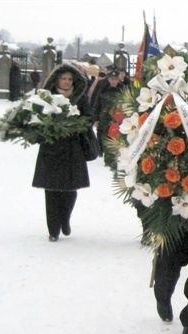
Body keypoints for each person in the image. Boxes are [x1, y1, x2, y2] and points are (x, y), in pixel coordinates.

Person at [32, 64, 92, 242]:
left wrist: (76, 124)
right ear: (56, 80)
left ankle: (65, 219)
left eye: (69, 79)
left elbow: (89, 117)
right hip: (51, 148)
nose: (66, 82)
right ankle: (53, 229)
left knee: (70, 190)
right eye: (63, 78)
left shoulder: (80, 97)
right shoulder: (46, 97)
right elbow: (36, 118)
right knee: (51, 190)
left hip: (73, 148)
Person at [91, 67, 125, 166]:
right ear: (109, 79)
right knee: (103, 137)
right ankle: (105, 156)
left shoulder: (123, 90)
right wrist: (95, 119)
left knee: (115, 138)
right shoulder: (103, 89)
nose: (114, 81)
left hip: (117, 119)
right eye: (112, 79)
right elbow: (96, 104)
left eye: (116, 79)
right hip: (104, 118)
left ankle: (113, 159)